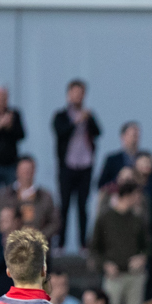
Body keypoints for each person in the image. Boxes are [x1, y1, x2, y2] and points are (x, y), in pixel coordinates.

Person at [90, 171, 151, 304]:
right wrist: (105, 265)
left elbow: (148, 244)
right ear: (128, 195)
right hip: (114, 275)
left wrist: (142, 257)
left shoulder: (138, 219)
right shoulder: (106, 218)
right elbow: (94, 247)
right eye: (136, 194)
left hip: (135, 275)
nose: (139, 198)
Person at [52, 79, 100, 249]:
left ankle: (83, 244)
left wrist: (88, 119)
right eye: (75, 93)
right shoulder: (61, 116)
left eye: (81, 93)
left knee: (82, 206)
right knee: (64, 205)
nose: (78, 96)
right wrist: (76, 121)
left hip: (85, 166)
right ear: (68, 95)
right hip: (67, 166)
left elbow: (98, 132)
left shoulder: (88, 115)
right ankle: (61, 243)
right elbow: (60, 132)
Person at [0, 155, 60, 243]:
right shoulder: (6, 195)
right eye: (23, 170)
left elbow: (55, 223)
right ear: (17, 171)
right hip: (10, 247)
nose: (26, 173)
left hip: (38, 247)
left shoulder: (45, 196)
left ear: (34, 171)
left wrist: (39, 237)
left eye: (29, 170)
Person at [97, 121, 143, 190]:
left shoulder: (145, 159)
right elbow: (101, 185)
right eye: (133, 135)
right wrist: (119, 178)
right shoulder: (112, 160)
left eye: (137, 136)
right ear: (123, 137)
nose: (135, 139)